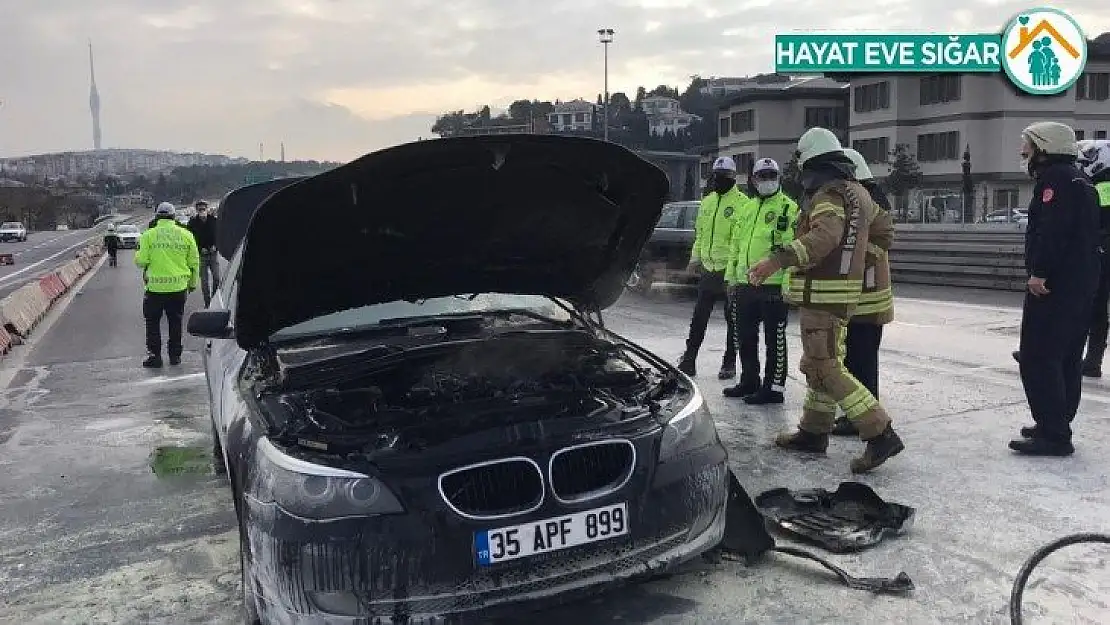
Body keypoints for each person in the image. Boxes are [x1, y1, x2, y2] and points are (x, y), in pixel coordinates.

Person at [747, 127, 903, 473]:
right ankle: (813, 432)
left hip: (821, 292)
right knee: (818, 363)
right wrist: (858, 260)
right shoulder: (860, 193)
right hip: (841, 295)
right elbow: (885, 232)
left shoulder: (828, 194)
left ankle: (880, 433)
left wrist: (777, 260)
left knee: (825, 366)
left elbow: (824, 235)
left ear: (810, 160)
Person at [1011, 122, 1101, 456]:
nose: (1024, 152)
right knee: (1066, 356)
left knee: (1038, 355)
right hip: (1080, 282)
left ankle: (1053, 432)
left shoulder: (1055, 180)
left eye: (1028, 146)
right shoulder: (1081, 179)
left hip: (1055, 285)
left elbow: (1052, 231)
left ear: (1044, 147)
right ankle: (1056, 421)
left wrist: (1040, 272)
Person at [830, 148, 896, 436]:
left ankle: (863, 417)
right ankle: (859, 414)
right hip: (864, 294)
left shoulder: (865, 201)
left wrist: (851, 263)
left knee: (861, 358)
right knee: (857, 357)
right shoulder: (869, 198)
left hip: (866, 296)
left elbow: (870, 245)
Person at [722, 157, 798, 404]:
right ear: (753, 180)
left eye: (771, 176)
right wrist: (731, 278)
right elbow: (736, 244)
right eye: (762, 176)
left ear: (778, 178)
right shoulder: (747, 208)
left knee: (774, 339)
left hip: (773, 284)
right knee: (745, 336)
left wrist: (787, 284)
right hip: (746, 283)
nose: (767, 181)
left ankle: (774, 388)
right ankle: (749, 381)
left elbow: (790, 251)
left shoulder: (788, 208)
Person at [678, 156, 748, 379]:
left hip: (730, 272)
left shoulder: (742, 204)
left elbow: (742, 242)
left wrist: (737, 271)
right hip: (709, 269)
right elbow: (701, 235)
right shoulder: (707, 202)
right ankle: (689, 359)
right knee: (699, 317)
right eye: (716, 177)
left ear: (733, 178)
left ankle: (729, 362)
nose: (718, 181)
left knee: (732, 319)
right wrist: (694, 260)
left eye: (723, 177)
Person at [136, 202, 199, 368]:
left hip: (155, 289)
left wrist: (139, 256)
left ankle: (155, 357)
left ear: (157, 217)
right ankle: (175, 356)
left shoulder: (148, 235)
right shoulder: (186, 235)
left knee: (152, 323)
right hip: (178, 287)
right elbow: (194, 262)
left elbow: (141, 261)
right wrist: (192, 283)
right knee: (176, 322)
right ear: (174, 217)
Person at [1078, 139, 1110, 378]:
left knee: (1094, 307)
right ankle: (1091, 361)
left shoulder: (1103, 184)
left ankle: (1092, 361)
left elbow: (1100, 219)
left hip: (1102, 253)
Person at [187, 200, 220, 307]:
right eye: (200, 209)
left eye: (203, 209)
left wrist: (216, 246)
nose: (202, 211)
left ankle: (215, 299)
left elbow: (220, 235)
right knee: (204, 282)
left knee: (216, 278)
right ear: (197, 210)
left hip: (213, 254)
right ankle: (207, 303)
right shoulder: (192, 223)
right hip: (201, 256)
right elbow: (190, 240)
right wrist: (200, 249)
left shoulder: (214, 220)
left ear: (207, 209)